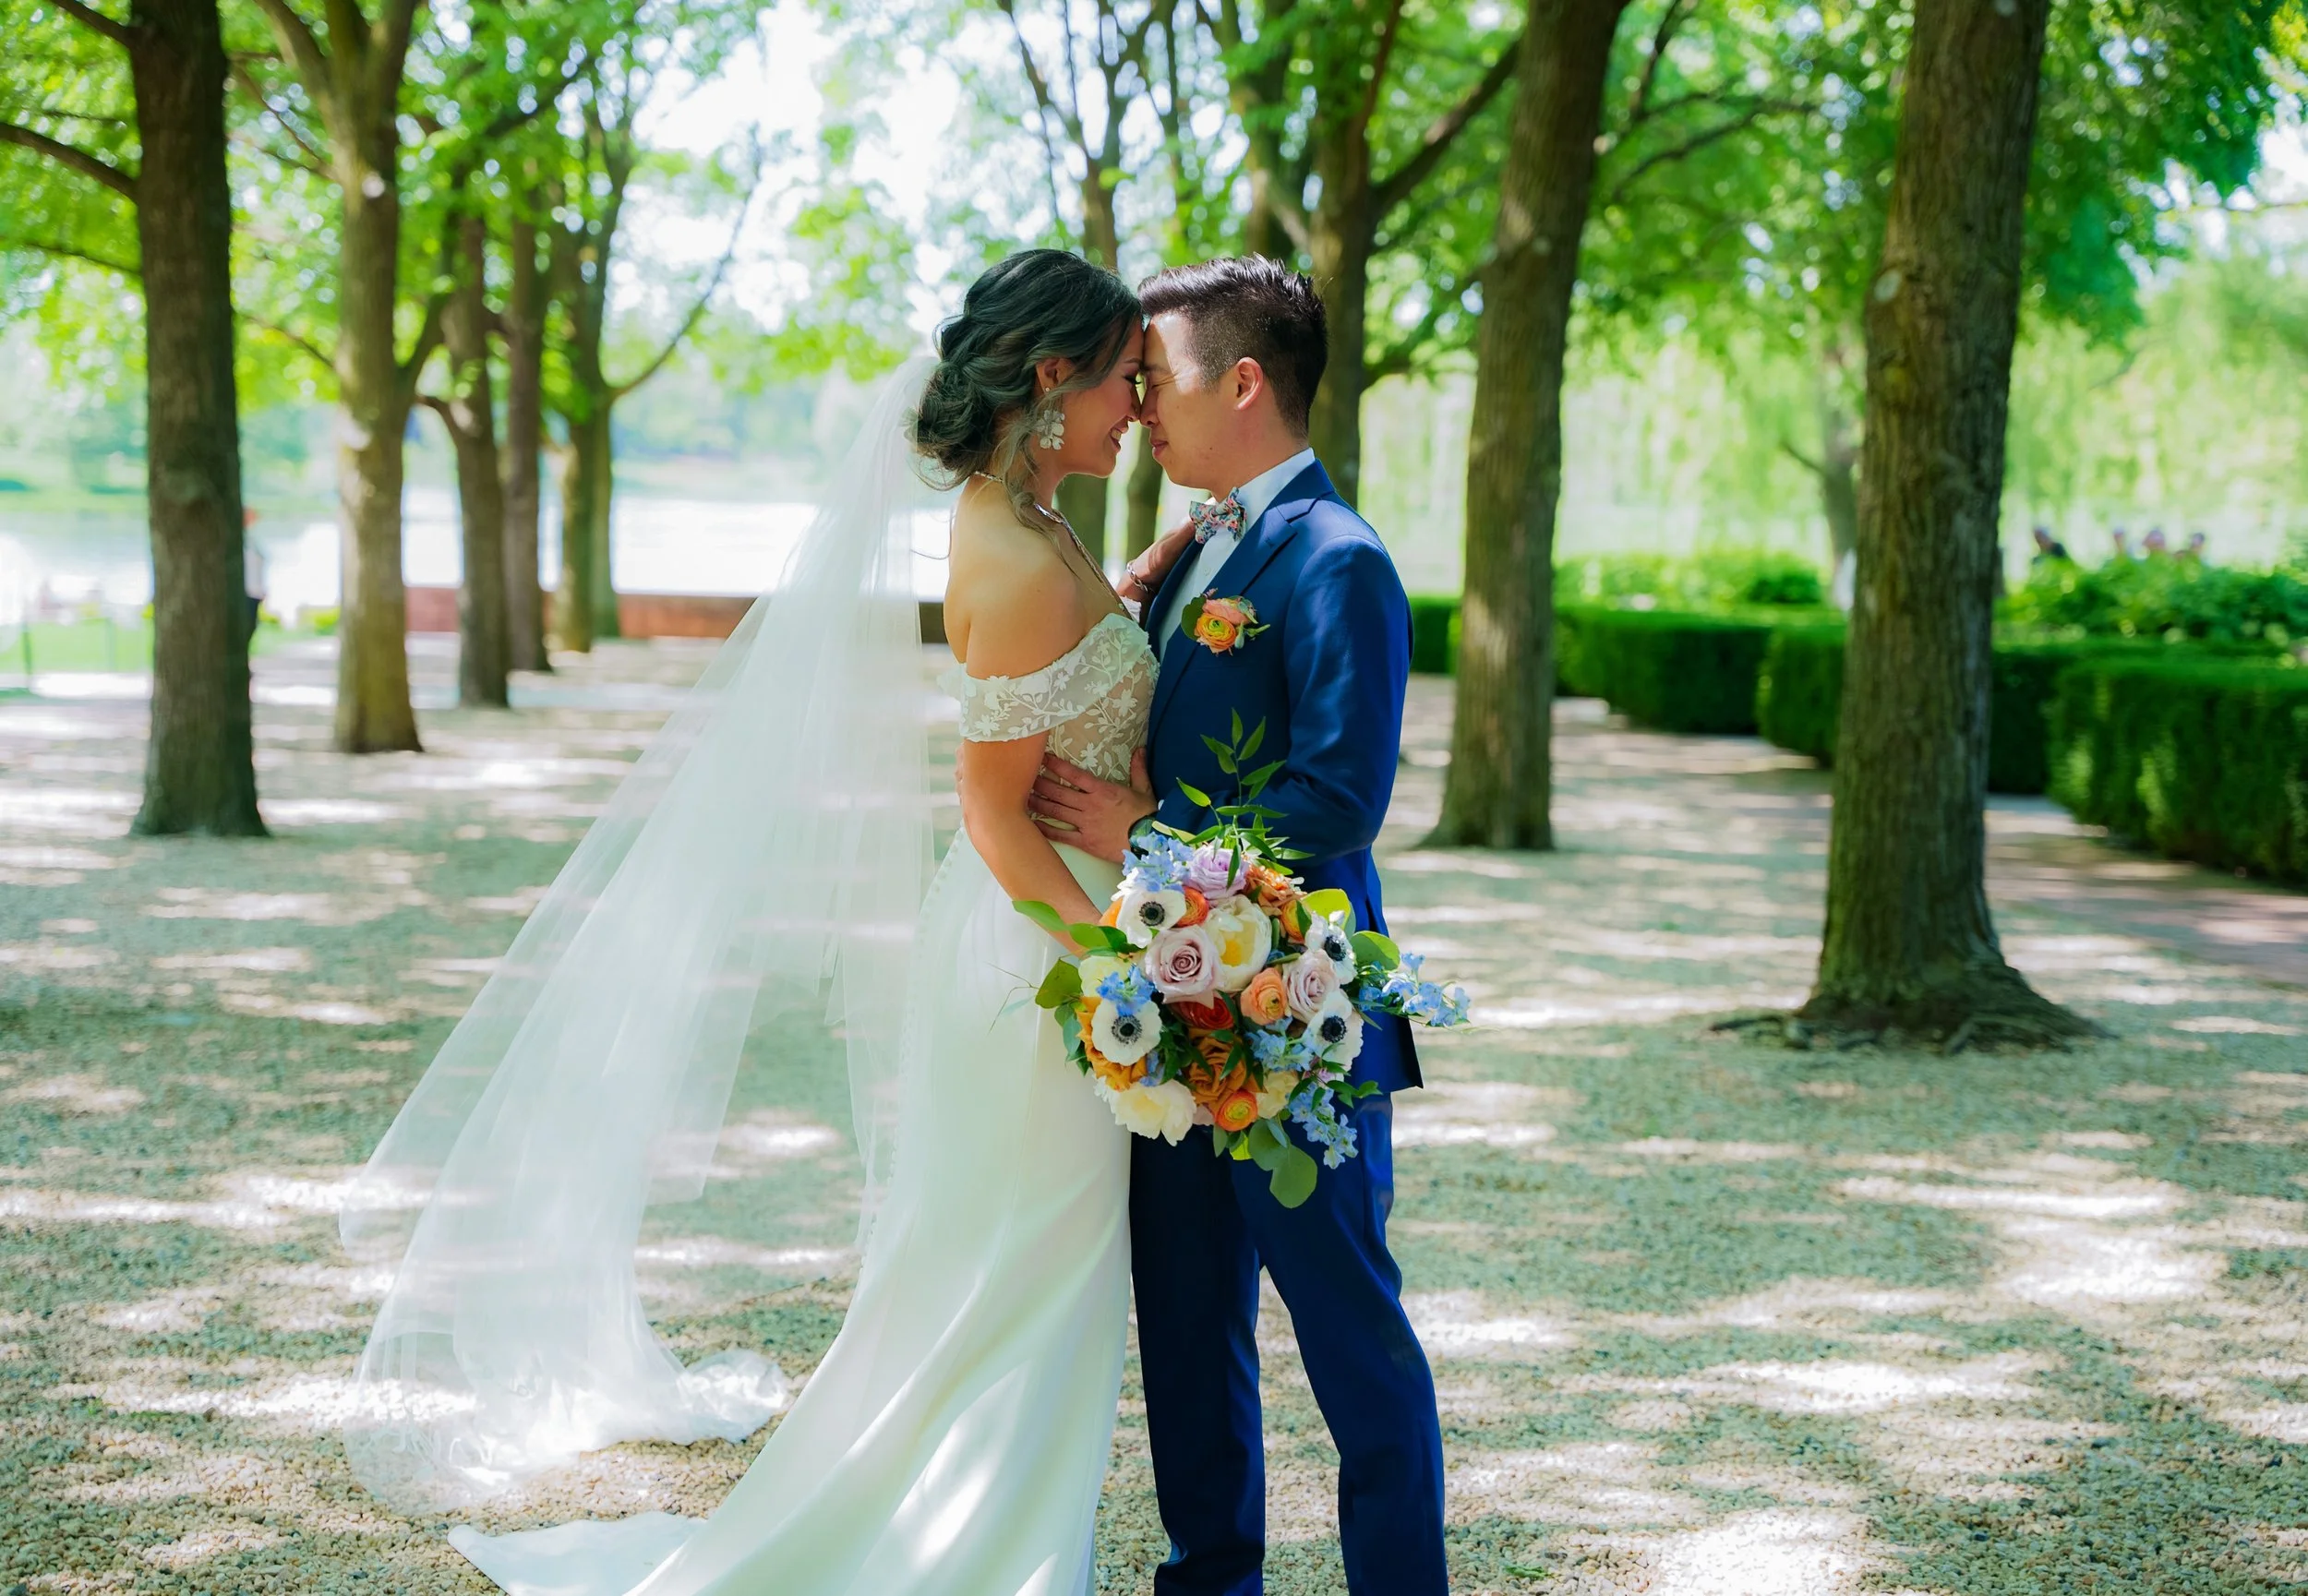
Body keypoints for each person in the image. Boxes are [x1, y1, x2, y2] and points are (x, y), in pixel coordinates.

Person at [343, 248, 1164, 1595]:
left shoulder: (1033, 520)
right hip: (1042, 961)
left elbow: (1075, 663)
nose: (1141, 404)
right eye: (1127, 377)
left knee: (1011, 1269)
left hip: (1046, 941)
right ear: (1051, 375)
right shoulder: (1017, 554)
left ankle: (991, 1547)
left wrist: (1155, 575)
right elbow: (994, 816)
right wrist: (1121, 967)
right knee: (1014, 1272)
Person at [1026, 257, 1445, 1596]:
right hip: (1171, 1009)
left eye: (1155, 378)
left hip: (1300, 1014)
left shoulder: (1339, 559)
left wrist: (1147, 831)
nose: (1139, 404)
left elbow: (1339, 798)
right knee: (1188, 1325)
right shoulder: (1197, 548)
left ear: (1245, 382)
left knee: (1349, 1333)